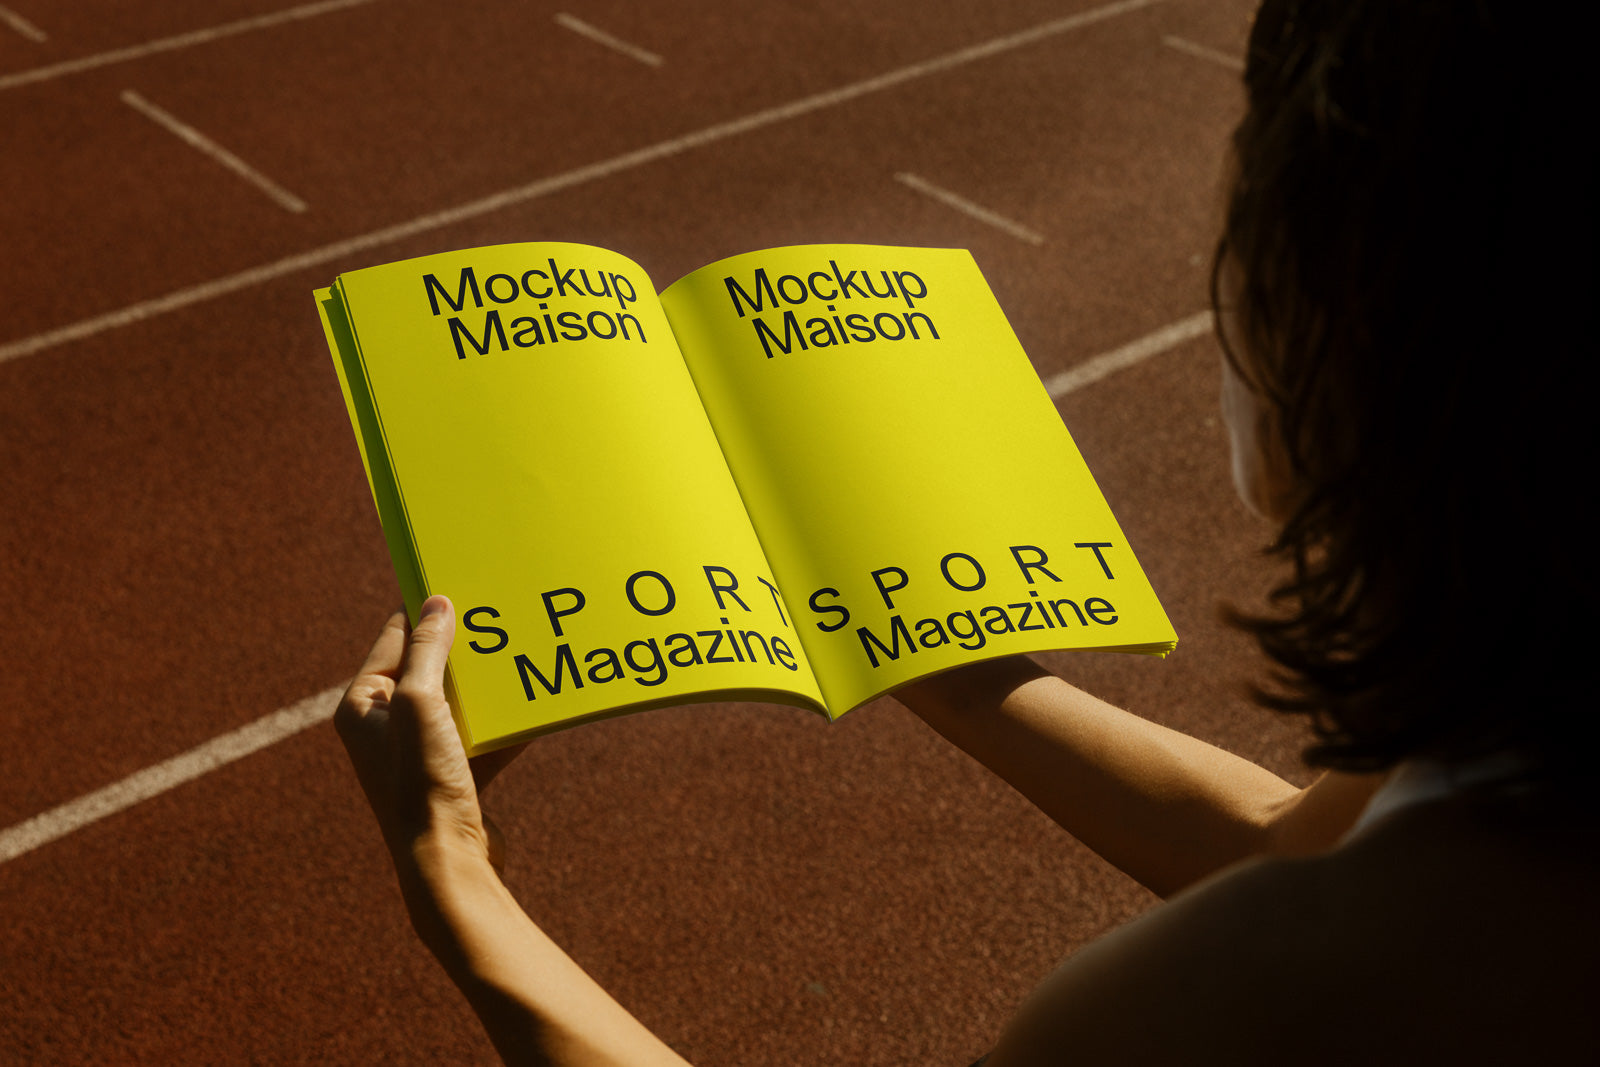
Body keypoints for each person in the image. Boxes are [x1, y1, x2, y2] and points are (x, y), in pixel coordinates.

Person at [334, 0, 1598, 1062]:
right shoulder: (1520, 748)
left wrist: (453, 877)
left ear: (1356, 329)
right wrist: (913, 633)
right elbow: (1282, 835)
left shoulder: (1227, 1002)